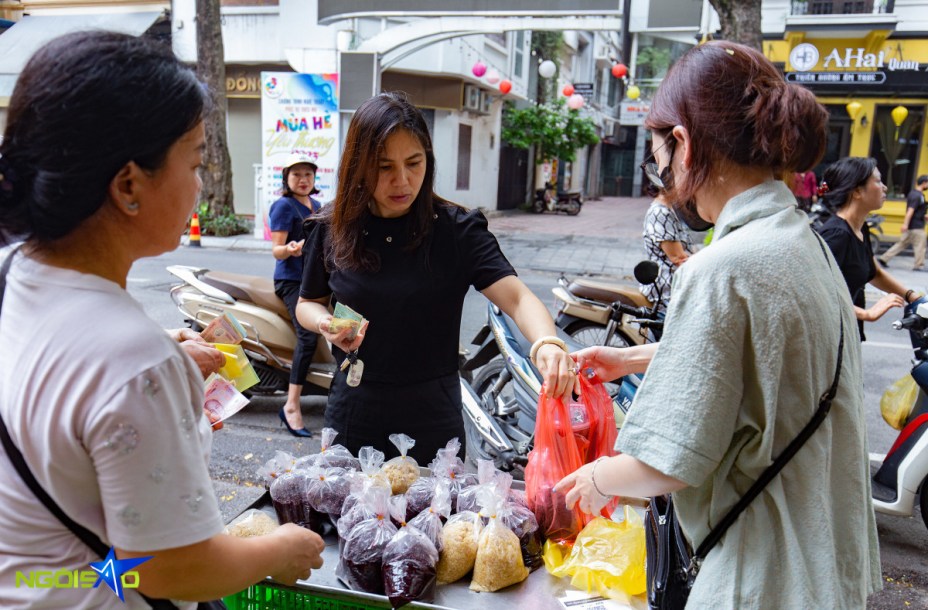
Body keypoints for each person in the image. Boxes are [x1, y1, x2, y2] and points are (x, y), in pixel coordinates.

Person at [0, 32, 323, 609]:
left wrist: (164, 362)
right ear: (128, 185)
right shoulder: (131, 359)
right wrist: (281, 549)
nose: (201, 185)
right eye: (196, 161)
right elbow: (170, 569)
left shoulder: (12, 274)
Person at [554, 41, 880, 609]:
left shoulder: (723, 268)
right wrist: (629, 359)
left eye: (657, 155)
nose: (662, 174)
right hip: (826, 565)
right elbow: (762, 355)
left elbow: (666, 461)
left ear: (682, 144)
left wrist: (596, 480)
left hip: (763, 575)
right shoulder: (801, 243)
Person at [295, 92, 574, 464]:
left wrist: (547, 344)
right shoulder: (333, 227)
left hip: (431, 414)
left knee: (437, 519)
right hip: (354, 409)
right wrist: (325, 323)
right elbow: (307, 303)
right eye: (384, 167)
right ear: (359, 165)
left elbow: (518, 298)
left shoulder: (456, 230)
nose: (402, 180)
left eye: (414, 163)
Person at [817, 158, 917, 340]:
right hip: (828, 337)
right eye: (878, 181)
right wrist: (866, 314)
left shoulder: (861, 228)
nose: (885, 187)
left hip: (847, 332)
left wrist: (912, 297)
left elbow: (874, 273)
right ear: (857, 191)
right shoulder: (836, 235)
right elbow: (817, 291)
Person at [269, 152, 323, 437]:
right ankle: (291, 405)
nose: (303, 180)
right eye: (297, 175)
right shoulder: (283, 206)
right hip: (290, 281)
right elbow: (276, 249)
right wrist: (289, 249)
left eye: (308, 175)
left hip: (314, 280)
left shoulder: (316, 205)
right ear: (287, 179)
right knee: (308, 334)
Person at [640, 185, 692, 332]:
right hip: (667, 292)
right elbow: (678, 257)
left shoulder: (670, 209)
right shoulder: (660, 212)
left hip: (676, 287)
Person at [877, 174, 928, 270]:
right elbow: (910, 211)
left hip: (912, 226)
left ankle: (883, 259)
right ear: (924, 183)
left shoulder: (916, 194)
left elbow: (916, 211)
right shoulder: (917, 196)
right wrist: (905, 224)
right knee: (920, 245)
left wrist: (924, 216)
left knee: (900, 244)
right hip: (916, 227)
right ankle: (919, 265)